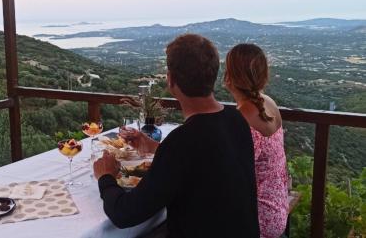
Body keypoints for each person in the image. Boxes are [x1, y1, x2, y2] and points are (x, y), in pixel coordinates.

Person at [93, 34, 260, 238]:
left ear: (171, 81)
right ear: (214, 75)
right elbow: (205, 163)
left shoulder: (183, 141)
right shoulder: (235, 120)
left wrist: (106, 177)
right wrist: (156, 147)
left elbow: (124, 214)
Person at [224, 43, 289, 238]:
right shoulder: (268, 102)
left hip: (258, 218)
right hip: (277, 208)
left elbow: (229, 176)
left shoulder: (243, 117)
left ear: (230, 76)